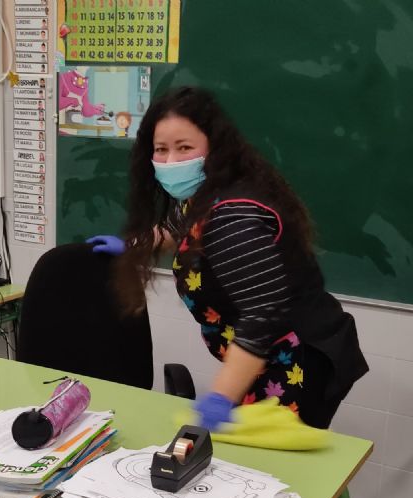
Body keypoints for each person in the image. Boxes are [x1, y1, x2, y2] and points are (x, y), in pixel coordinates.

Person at [87, 86, 368, 431]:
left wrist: (221, 395)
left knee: (272, 459)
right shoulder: (205, 191)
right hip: (266, 352)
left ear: (214, 147)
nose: (171, 162)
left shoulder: (233, 219)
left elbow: (263, 314)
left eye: (184, 148)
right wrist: (134, 245)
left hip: (296, 358)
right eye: (161, 149)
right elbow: (177, 226)